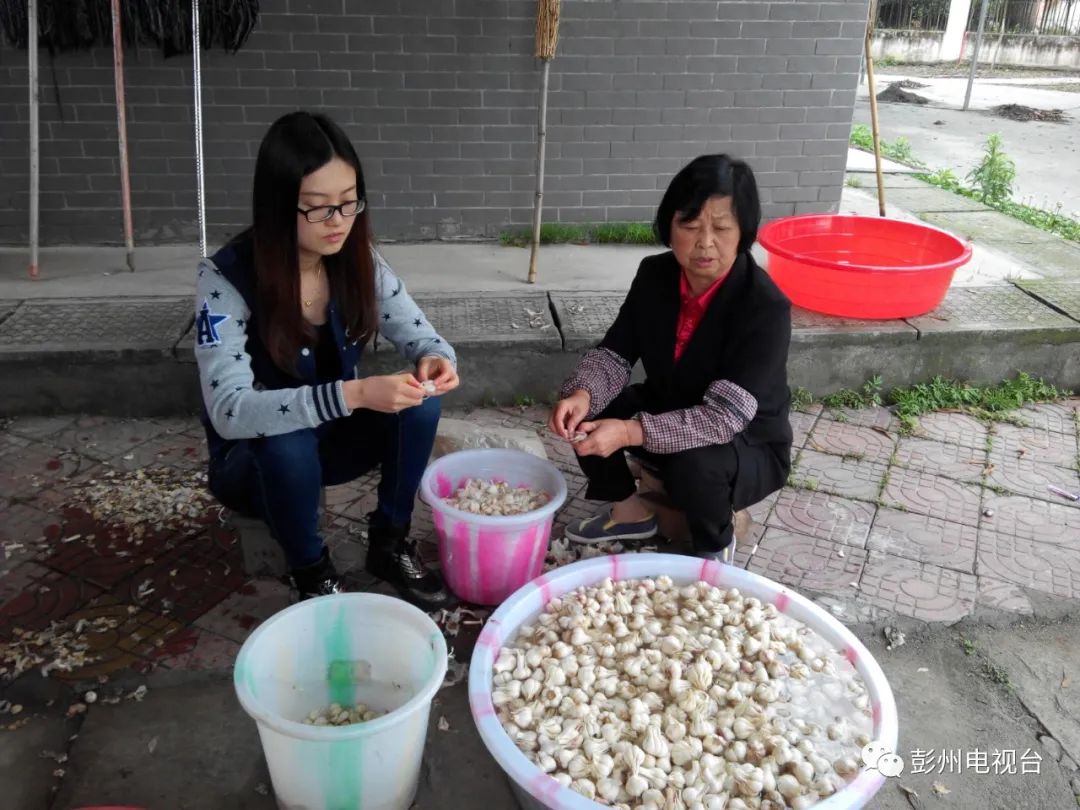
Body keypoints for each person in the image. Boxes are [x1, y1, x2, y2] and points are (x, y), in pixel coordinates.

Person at [193, 111, 456, 608]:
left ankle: (389, 541)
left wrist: (435, 359)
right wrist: (353, 393)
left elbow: (422, 335)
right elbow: (230, 410)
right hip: (253, 463)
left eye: (348, 203)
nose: (338, 222)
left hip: (333, 440)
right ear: (276, 206)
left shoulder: (357, 258)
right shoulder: (225, 279)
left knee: (418, 403)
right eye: (317, 208)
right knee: (285, 442)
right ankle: (311, 569)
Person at [548, 154, 792, 562]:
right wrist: (582, 395)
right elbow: (615, 351)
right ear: (670, 226)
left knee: (694, 465)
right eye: (690, 226)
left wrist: (629, 432)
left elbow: (722, 418)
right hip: (669, 403)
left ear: (743, 233)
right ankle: (629, 512)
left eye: (721, 228)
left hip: (745, 440)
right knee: (584, 410)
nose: (705, 243)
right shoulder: (654, 275)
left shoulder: (764, 307)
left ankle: (714, 546)